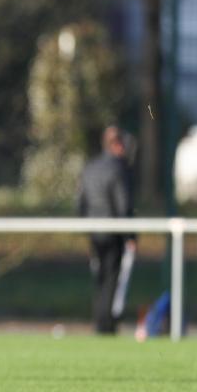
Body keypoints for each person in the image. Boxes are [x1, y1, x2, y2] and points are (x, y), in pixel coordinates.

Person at [78, 126, 136, 335]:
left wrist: (85, 227)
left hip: (93, 231)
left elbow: (81, 203)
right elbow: (123, 205)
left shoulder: (90, 167)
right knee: (112, 277)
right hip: (113, 232)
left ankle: (100, 321)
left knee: (100, 277)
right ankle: (107, 325)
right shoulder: (119, 169)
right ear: (117, 144)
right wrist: (130, 235)